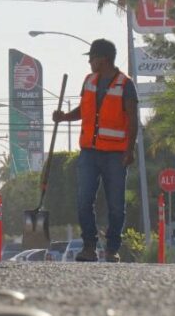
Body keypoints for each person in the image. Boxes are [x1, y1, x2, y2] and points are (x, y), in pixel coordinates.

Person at [52, 38, 138, 262]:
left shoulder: (125, 84)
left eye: (92, 57)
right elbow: (84, 110)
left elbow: (132, 120)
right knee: (83, 200)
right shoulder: (89, 81)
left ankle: (112, 249)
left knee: (116, 204)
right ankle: (89, 247)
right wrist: (64, 117)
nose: (89, 62)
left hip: (116, 154)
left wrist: (130, 150)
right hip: (89, 152)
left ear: (103, 59)